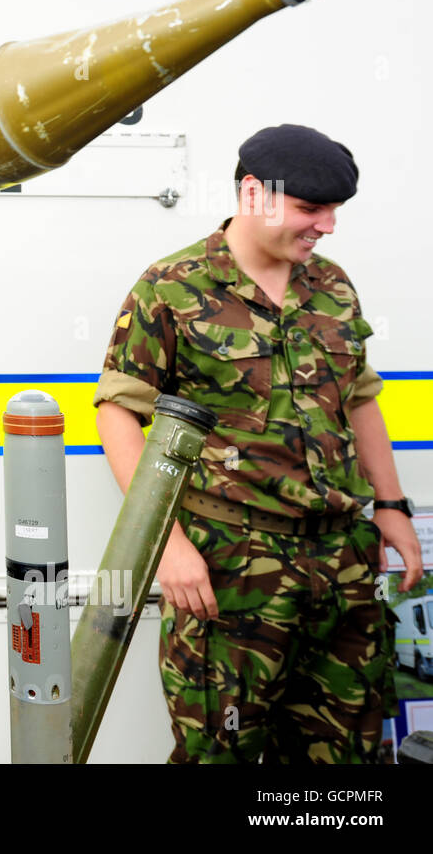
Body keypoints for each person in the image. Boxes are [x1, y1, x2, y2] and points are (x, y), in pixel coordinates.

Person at [93, 123, 424, 763]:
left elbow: (358, 398)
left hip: (341, 564)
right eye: (310, 210)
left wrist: (392, 507)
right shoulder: (172, 287)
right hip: (230, 564)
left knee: (346, 756)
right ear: (255, 193)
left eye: (333, 211)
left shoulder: (331, 285)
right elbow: (117, 414)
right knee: (222, 750)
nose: (327, 226)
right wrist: (167, 546)